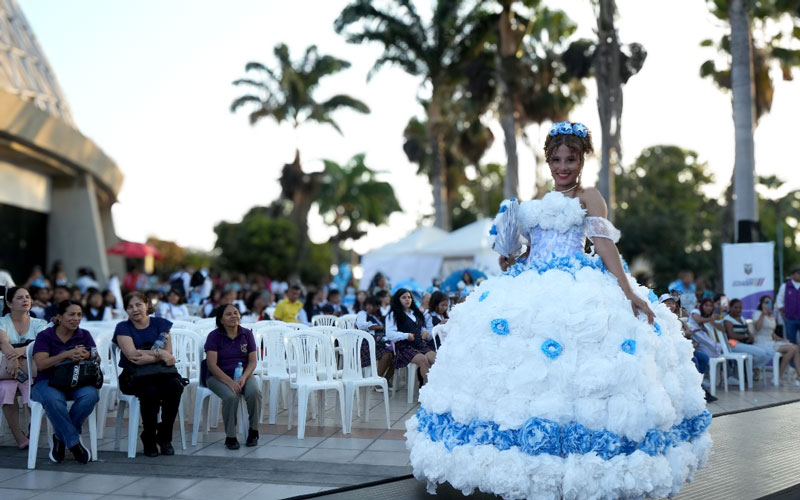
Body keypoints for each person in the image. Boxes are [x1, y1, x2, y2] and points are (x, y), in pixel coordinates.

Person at [405, 122, 710, 500]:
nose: (563, 166)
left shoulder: (590, 196)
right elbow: (527, 252)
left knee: (579, 373)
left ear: (582, 159)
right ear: (548, 161)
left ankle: (579, 469)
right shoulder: (535, 202)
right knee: (521, 372)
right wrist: (510, 258)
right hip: (531, 284)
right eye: (556, 159)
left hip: (576, 286)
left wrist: (629, 291)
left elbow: (603, 246)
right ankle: (519, 465)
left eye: (571, 158)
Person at [113, 292, 184, 457]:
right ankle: (149, 436)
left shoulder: (161, 324)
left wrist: (151, 355)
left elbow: (169, 356)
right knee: (150, 391)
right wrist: (159, 355)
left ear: (146, 305)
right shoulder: (123, 327)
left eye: (138, 304)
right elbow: (133, 357)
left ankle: (165, 437)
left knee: (175, 387)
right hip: (134, 375)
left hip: (162, 373)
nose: (135, 309)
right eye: (130, 306)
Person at [31, 300, 98, 464]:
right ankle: (74, 443)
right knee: (54, 399)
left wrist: (86, 355)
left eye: (79, 315)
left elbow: (97, 356)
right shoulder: (45, 336)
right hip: (47, 381)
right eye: (72, 314)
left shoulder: (84, 334)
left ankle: (60, 438)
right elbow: (41, 364)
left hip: (76, 381)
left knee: (91, 395)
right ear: (59, 317)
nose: (76, 318)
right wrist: (66, 355)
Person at [204, 304, 261, 449]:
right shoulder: (214, 336)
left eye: (236, 313)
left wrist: (244, 377)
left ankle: (253, 431)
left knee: (254, 392)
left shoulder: (247, 334)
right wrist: (230, 382)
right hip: (217, 376)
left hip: (243, 375)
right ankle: (230, 436)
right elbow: (211, 365)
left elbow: (253, 361)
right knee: (231, 396)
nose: (234, 316)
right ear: (221, 320)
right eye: (228, 314)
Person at [0, 287, 48, 448]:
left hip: (31, 372)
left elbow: (40, 344)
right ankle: (18, 437)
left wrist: (15, 354)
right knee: (6, 388)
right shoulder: (2, 322)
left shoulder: (39, 323)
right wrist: (13, 357)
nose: (26, 300)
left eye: (27, 297)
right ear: (9, 303)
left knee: (33, 388)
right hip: (7, 372)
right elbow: (3, 342)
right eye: (20, 298)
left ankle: (32, 432)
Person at [660, 294, 716, 402]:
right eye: (667, 303)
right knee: (694, 360)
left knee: (704, 358)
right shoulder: (660, 318)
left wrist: (686, 329)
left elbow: (688, 332)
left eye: (672, 303)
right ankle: (700, 390)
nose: (670, 305)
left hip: (681, 348)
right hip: (670, 351)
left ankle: (697, 385)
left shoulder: (677, 318)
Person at [385, 289, 435, 384]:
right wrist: (406, 335)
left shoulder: (416, 313)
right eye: (404, 297)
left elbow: (421, 328)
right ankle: (428, 390)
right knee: (422, 359)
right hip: (404, 347)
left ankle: (439, 386)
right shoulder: (393, 315)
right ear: (397, 300)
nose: (407, 299)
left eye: (409, 297)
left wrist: (425, 332)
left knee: (435, 358)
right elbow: (389, 334)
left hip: (419, 344)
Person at [752, 295, 800, 384]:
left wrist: (781, 339)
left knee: (795, 347)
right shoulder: (757, 313)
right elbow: (757, 328)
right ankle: (779, 376)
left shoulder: (772, 316)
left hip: (771, 341)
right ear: (761, 304)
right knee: (791, 349)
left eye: (769, 303)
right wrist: (763, 314)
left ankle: (794, 375)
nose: (767, 305)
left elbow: (772, 333)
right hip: (762, 342)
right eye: (765, 302)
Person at [723, 299, 773, 371]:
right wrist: (746, 337)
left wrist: (750, 337)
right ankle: (748, 368)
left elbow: (747, 332)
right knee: (762, 353)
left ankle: (752, 367)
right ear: (730, 308)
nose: (738, 310)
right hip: (733, 344)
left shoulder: (742, 318)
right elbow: (731, 335)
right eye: (735, 307)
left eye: (740, 308)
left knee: (770, 352)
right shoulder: (728, 319)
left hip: (745, 343)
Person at [355, 296, 394, 389]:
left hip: (379, 343)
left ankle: (385, 379)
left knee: (397, 355)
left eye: (372, 305)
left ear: (377, 307)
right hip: (365, 343)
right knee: (387, 354)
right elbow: (361, 325)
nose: (369, 307)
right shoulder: (362, 313)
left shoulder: (378, 316)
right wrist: (377, 327)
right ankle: (377, 381)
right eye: (367, 305)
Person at [776, 266, 800, 344]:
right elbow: (779, 300)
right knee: (791, 341)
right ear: (792, 275)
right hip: (790, 319)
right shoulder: (785, 286)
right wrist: (782, 312)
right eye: (798, 273)